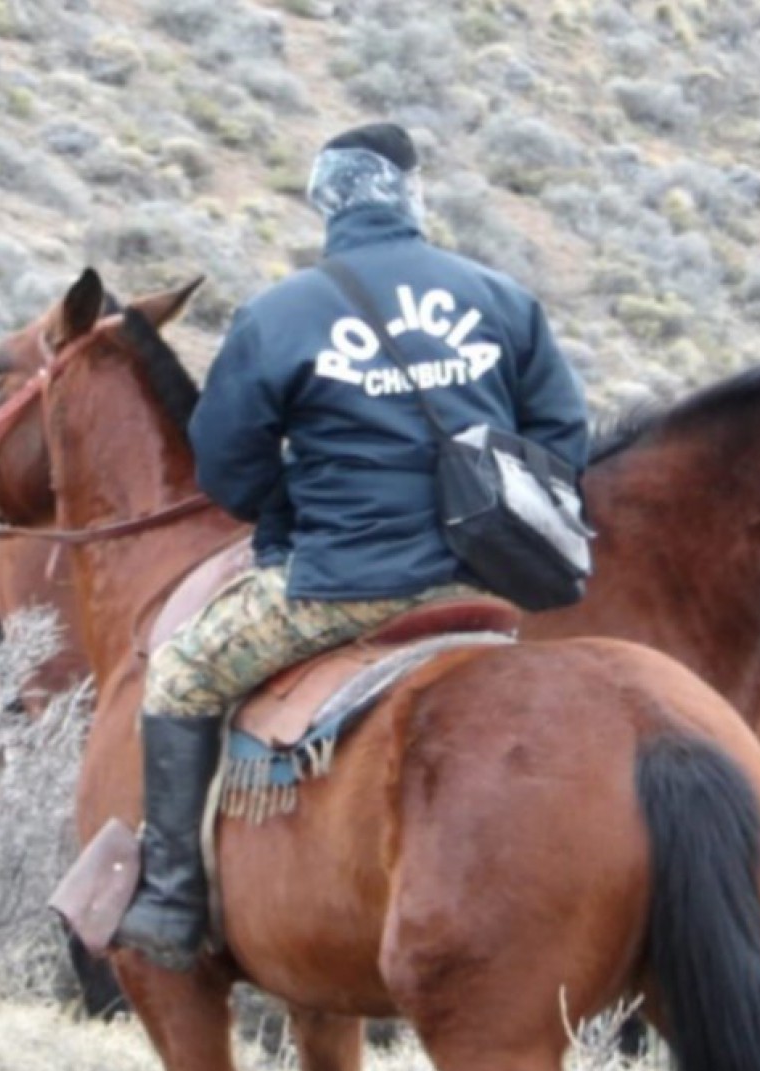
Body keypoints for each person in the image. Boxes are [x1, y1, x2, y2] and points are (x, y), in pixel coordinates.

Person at [113, 122, 591, 969]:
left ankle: (174, 902)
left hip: (345, 585)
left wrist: (298, 505)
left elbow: (225, 469)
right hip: (482, 585)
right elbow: (560, 435)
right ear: (412, 194)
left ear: (325, 206)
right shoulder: (498, 297)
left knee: (182, 673)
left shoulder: (280, 315)